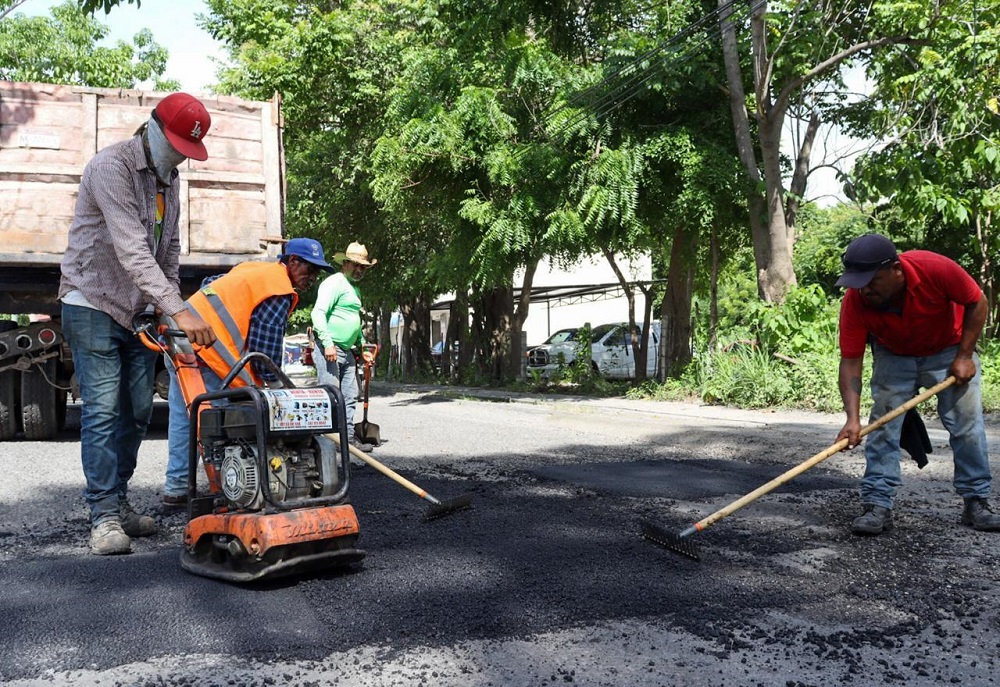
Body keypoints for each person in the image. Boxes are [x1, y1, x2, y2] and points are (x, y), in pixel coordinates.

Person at [59, 93, 218, 556]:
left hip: (137, 311)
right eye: (173, 147)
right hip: (91, 301)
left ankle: (120, 502)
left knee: (138, 411)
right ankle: (104, 516)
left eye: (187, 152)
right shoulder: (112, 167)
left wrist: (172, 312)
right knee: (104, 410)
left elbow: (167, 255)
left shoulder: (171, 184)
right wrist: (182, 311)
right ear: (151, 127)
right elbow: (132, 249)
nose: (178, 159)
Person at [834, 233, 1000, 535]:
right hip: (893, 353)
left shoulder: (934, 268)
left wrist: (965, 355)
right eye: (858, 283)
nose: (865, 289)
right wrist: (852, 419)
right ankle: (877, 505)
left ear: (897, 270)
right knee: (883, 427)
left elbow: (978, 301)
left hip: (948, 349)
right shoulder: (856, 301)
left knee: (967, 426)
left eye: (873, 280)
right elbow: (851, 361)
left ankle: (976, 501)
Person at [161, 237, 334, 506]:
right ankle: (227, 489)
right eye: (308, 269)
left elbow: (211, 284)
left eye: (316, 273)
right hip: (206, 351)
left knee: (187, 418)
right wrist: (281, 393)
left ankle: (178, 486)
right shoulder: (277, 288)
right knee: (219, 425)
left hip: (179, 336)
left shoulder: (255, 269)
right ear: (292, 261)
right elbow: (264, 354)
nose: (312, 277)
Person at [311, 242, 377, 453]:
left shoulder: (354, 289)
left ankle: (346, 439)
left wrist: (361, 348)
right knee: (331, 395)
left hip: (346, 350)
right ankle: (327, 442)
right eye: (355, 265)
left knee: (350, 393)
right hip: (329, 348)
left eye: (363, 267)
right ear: (345, 263)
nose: (359, 270)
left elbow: (354, 321)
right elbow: (318, 313)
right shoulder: (334, 283)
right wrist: (328, 343)